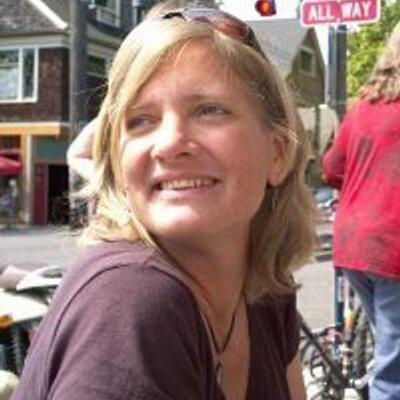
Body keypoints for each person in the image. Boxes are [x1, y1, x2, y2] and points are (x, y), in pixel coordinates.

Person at [13, 4, 315, 400]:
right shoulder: (132, 301)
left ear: (278, 154)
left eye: (209, 111)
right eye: (140, 120)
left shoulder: (266, 289)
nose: (169, 143)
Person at [323, 22, 400, 400]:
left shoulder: (362, 107)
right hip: (392, 247)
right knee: (394, 371)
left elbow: (331, 168)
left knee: (389, 344)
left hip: (353, 243)